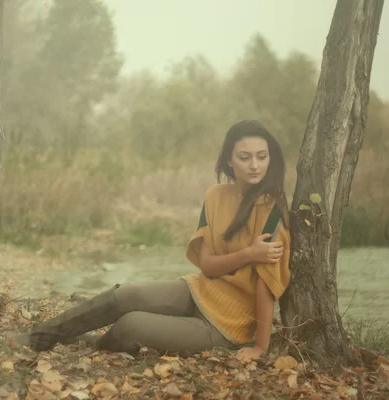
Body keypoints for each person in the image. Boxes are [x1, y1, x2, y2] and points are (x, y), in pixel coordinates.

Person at [27, 119, 291, 361]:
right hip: (199, 290)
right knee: (123, 296)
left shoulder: (272, 212)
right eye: (245, 157)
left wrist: (260, 347)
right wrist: (248, 254)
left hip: (227, 324)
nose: (255, 165)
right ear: (230, 161)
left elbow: (266, 287)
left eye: (262, 157)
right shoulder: (216, 196)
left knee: (132, 324)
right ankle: (38, 337)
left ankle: (97, 343)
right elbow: (208, 266)